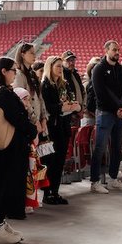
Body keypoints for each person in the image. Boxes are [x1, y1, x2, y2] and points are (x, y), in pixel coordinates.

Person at [0, 57, 36, 243]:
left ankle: (0, 223)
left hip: (4, 145)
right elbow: (17, 117)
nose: (15, 73)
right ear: (3, 71)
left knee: (4, 182)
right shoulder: (2, 92)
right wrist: (32, 130)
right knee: (2, 183)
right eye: (13, 70)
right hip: (4, 146)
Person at [89, 40, 122, 193]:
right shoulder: (98, 69)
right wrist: (116, 109)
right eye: (114, 49)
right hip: (105, 113)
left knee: (117, 147)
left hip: (120, 114)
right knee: (100, 148)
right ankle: (95, 181)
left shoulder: (121, 70)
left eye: (118, 49)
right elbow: (99, 94)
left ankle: (113, 179)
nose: (117, 52)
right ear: (106, 50)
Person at [40, 56, 78, 205]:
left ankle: (55, 192)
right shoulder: (45, 85)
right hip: (52, 128)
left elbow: (72, 102)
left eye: (61, 67)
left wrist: (69, 107)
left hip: (64, 126)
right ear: (50, 67)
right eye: (57, 66)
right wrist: (63, 107)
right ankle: (47, 193)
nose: (60, 69)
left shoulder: (64, 84)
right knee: (51, 162)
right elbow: (49, 107)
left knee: (60, 161)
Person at [12, 43, 48, 139]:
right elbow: (23, 101)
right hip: (29, 122)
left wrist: (44, 118)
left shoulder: (32, 74)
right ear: (22, 55)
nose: (35, 55)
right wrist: (35, 121)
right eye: (31, 53)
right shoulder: (18, 75)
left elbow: (40, 98)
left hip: (38, 119)